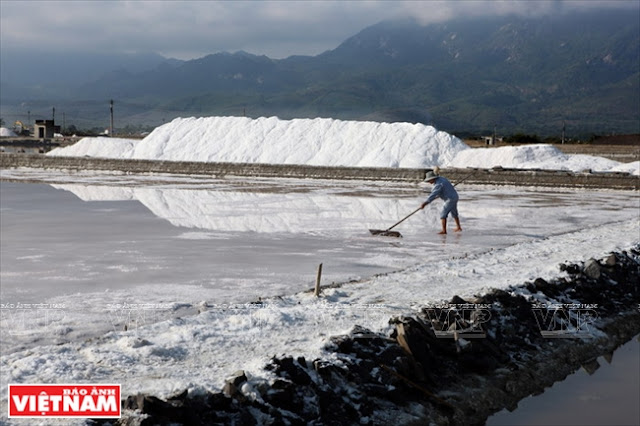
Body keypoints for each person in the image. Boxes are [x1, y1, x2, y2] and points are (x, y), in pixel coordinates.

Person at [420, 170, 462, 234]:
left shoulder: (438, 184)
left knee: (443, 214)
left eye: (429, 180)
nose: (429, 182)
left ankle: (444, 230)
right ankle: (458, 227)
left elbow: (433, 194)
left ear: (433, 178)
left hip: (450, 199)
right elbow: (445, 187)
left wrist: (425, 203)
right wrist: (441, 193)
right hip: (455, 196)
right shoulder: (442, 179)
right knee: (454, 212)